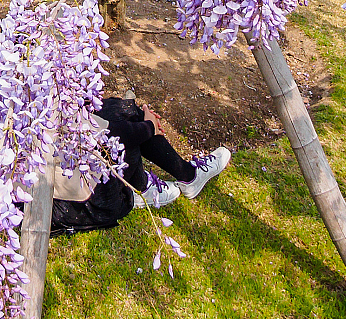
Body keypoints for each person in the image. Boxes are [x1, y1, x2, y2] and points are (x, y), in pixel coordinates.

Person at [49, 96, 231, 238]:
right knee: (128, 139)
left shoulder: (36, 79)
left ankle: (151, 184)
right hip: (77, 207)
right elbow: (113, 136)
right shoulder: (43, 98)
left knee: (119, 109)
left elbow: (84, 107)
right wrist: (149, 126)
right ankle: (150, 187)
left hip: (65, 184)